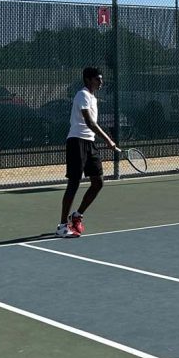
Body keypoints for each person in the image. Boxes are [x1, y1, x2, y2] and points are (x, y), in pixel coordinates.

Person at [57, 66, 118, 238]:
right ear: (88, 80)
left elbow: (92, 127)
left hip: (89, 143)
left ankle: (77, 215)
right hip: (76, 141)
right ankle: (62, 226)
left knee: (98, 182)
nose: (101, 82)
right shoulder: (82, 95)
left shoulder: (93, 98)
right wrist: (108, 140)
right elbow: (89, 122)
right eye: (98, 79)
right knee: (74, 183)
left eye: (101, 79)